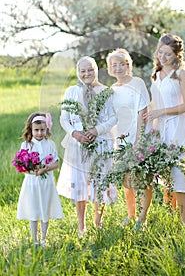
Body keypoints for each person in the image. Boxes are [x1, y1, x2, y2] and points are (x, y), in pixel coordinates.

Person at [57, 56, 117, 236]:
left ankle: (97, 222)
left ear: (96, 70)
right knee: (80, 183)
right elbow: (64, 118)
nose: (86, 74)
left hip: (100, 142)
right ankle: (81, 226)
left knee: (100, 181)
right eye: (83, 71)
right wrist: (75, 134)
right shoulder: (71, 92)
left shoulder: (106, 91)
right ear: (78, 72)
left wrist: (97, 130)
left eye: (90, 69)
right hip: (78, 144)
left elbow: (113, 117)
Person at [144, 33, 185, 225]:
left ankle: (184, 223)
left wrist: (161, 112)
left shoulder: (181, 74)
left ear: (176, 55)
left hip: (178, 128)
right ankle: (171, 213)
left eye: (167, 54)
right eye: (160, 53)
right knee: (166, 174)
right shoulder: (156, 75)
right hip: (161, 128)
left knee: (180, 173)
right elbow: (154, 103)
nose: (162, 57)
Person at [106, 48, 152, 230]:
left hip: (138, 137)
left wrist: (139, 140)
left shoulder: (137, 83)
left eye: (121, 64)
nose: (117, 68)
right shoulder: (112, 89)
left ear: (128, 65)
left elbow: (143, 111)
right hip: (121, 139)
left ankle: (142, 218)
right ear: (110, 68)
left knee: (142, 179)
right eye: (113, 65)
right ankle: (131, 215)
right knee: (127, 181)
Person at [16, 112, 63, 246]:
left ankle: (43, 238)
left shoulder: (50, 144)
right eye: (36, 130)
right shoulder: (26, 145)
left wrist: (45, 169)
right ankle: (35, 240)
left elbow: (56, 163)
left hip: (46, 182)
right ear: (31, 129)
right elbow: (22, 165)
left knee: (45, 209)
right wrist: (33, 171)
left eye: (42, 130)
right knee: (34, 209)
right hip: (32, 183)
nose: (39, 133)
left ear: (46, 129)